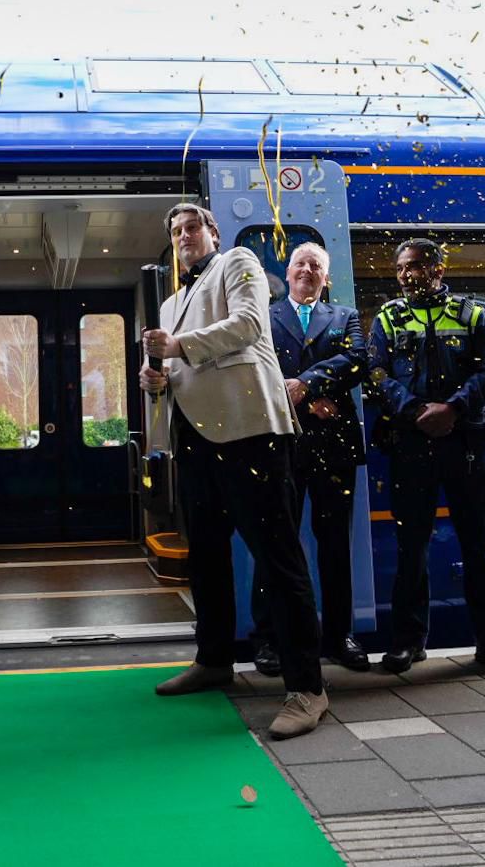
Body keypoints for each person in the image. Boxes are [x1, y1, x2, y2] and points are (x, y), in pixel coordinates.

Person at [139, 203, 326, 741]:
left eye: (192, 227)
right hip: (195, 439)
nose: (183, 237)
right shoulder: (173, 300)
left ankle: (308, 688)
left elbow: (246, 325)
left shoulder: (238, 263)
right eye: (175, 232)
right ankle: (215, 659)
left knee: (278, 559)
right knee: (208, 558)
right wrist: (158, 377)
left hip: (252, 434)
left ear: (214, 233)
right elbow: (173, 368)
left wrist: (176, 348)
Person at [367, 238, 485, 680]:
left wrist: (453, 409)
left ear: (437, 270)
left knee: (478, 547)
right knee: (411, 550)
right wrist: (415, 412)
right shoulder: (387, 319)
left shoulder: (472, 315)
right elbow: (377, 374)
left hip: (465, 446)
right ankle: (407, 643)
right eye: (401, 268)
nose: (406, 275)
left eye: (415, 267)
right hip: (410, 446)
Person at [251, 242, 371, 675]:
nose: (307, 270)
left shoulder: (346, 317)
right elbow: (251, 366)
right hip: (279, 447)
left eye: (316, 266)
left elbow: (359, 358)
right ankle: (269, 639)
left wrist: (307, 384)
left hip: (333, 449)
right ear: (288, 271)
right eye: (301, 263)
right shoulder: (263, 317)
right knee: (276, 545)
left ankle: (339, 637)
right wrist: (303, 401)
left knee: (335, 544)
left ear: (326, 276)